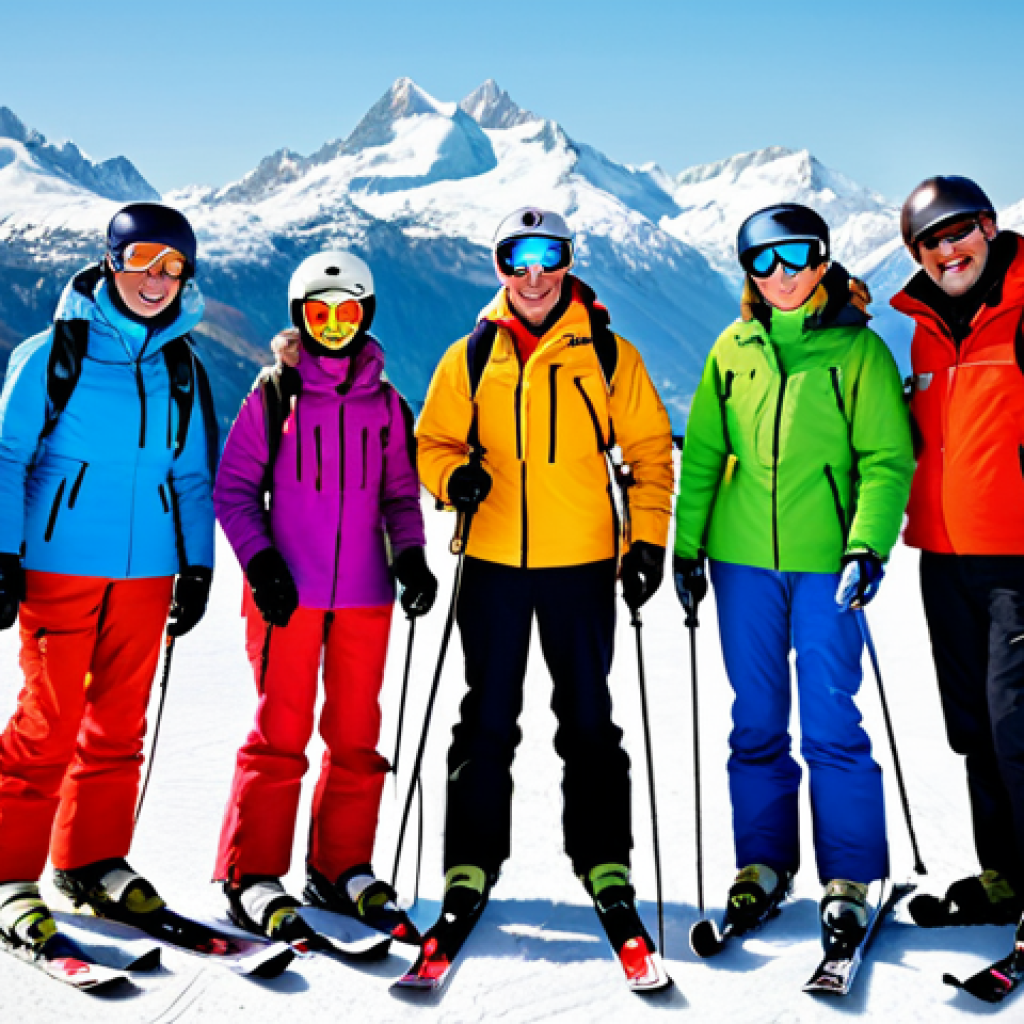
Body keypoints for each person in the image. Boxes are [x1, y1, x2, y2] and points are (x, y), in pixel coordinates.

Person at [414, 207, 674, 964]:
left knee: (589, 721)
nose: (533, 274)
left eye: (547, 257)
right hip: (491, 563)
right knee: (485, 720)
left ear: (567, 262)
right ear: (498, 266)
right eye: (515, 258)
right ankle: (471, 863)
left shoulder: (607, 353)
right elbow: (433, 441)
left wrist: (647, 543)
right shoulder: (471, 355)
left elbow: (651, 453)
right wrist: (450, 477)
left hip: (584, 565)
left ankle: (605, 861)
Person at [674, 203, 914, 950]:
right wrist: (687, 550)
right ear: (747, 270)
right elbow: (707, 456)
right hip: (741, 561)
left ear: (822, 260)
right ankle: (763, 864)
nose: (782, 274)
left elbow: (885, 460)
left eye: (798, 256)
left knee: (833, 721)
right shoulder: (732, 349)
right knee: (756, 719)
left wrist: (865, 547)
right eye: (764, 260)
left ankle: (848, 875)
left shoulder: (858, 352)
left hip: (824, 567)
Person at [0, 203, 216, 949]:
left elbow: (190, 474)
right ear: (111, 261)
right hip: (59, 560)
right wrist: (2, 554)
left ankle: (90, 860)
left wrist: (197, 565)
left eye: (173, 265)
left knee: (120, 722)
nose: (156, 279)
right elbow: (4, 457)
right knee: (48, 720)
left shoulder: (184, 366)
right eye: (143, 260)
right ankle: (7, 873)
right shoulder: (52, 353)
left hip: (148, 572)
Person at [212, 251, 436, 943]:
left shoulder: (390, 405)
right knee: (280, 732)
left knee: (355, 734)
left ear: (365, 315)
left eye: (347, 313)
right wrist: (262, 563)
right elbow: (235, 491)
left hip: (366, 594)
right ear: (300, 319)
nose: (334, 325)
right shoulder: (274, 393)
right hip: (288, 595)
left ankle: (340, 866)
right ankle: (250, 873)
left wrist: (413, 559)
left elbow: (400, 496)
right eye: (319, 313)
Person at [892, 176, 1024, 927]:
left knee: (1019, 724)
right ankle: (1005, 877)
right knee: (974, 724)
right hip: (943, 558)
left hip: (1016, 558)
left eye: (959, 232)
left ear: (988, 227)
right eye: (930, 241)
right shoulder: (923, 328)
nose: (948, 250)